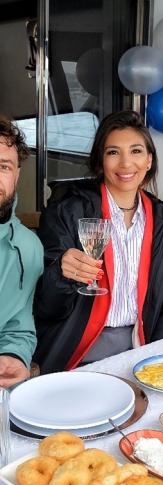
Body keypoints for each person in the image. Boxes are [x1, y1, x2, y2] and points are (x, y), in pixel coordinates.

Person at [33, 110, 163, 373]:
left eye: (136, 151)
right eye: (113, 152)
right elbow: (45, 307)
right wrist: (61, 274)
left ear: (149, 160)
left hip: (140, 348)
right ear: (100, 161)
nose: (126, 163)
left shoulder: (162, 218)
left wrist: (159, 358)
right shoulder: (68, 211)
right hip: (77, 350)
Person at [0, 116, 43, 387]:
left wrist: (13, 355)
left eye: (3, 167)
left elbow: (17, 326)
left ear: (16, 175)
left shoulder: (27, 248)